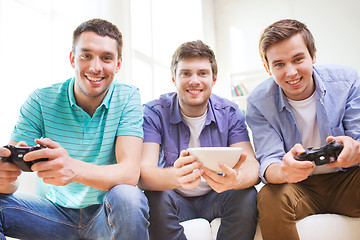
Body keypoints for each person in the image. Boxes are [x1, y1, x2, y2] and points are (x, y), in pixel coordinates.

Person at [0, 18, 149, 239]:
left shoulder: (128, 97)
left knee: (128, 196)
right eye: (86, 56)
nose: (95, 67)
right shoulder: (41, 101)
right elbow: (9, 182)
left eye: (106, 58)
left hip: (104, 215)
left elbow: (129, 173)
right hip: (53, 214)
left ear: (118, 64)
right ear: (73, 58)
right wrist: (5, 178)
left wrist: (73, 169)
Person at [246, 19, 360, 240]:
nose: (291, 73)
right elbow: (268, 161)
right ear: (267, 68)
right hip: (298, 187)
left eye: (298, 59)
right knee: (269, 197)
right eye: (279, 64)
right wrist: (284, 170)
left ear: (313, 56)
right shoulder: (258, 102)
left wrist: (355, 151)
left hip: (347, 178)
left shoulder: (347, 82)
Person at [139, 40, 259, 240]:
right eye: (185, 73)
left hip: (218, 196)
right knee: (154, 196)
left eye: (202, 73)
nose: (194, 81)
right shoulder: (154, 113)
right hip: (174, 198)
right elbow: (143, 173)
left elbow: (252, 165)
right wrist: (176, 177)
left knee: (247, 194)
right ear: (174, 78)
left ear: (214, 79)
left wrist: (235, 179)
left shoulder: (229, 112)